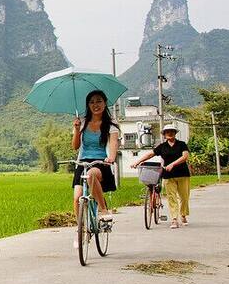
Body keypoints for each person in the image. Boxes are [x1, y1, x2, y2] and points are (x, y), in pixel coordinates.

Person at [71, 90, 120, 239]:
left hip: (100, 162)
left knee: (92, 174)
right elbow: (75, 146)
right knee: (77, 197)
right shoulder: (83, 123)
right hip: (83, 162)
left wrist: (111, 157)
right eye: (91, 102)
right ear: (88, 105)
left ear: (105, 103)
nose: (95, 105)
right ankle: (82, 230)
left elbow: (113, 144)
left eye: (99, 101)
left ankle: (103, 211)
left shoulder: (111, 126)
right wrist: (77, 129)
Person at [130, 124, 191, 229]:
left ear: (175, 133)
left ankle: (183, 215)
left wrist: (172, 164)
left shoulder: (182, 144)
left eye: (172, 131)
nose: (169, 133)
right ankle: (174, 219)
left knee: (184, 197)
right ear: (164, 135)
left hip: (182, 174)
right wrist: (137, 162)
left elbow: (185, 156)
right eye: (167, 132)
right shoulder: (162, 146)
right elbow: (150, 154)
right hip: (168, 175)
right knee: (172, 198)